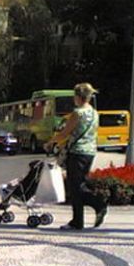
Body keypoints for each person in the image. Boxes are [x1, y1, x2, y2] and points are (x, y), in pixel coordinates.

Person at [44, 82, 107, 230]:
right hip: (90, 152)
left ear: (78, 97)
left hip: (77, 152)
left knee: (76, 187)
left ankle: (98, 204)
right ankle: (77, 221)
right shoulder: (94, 113)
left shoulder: (77, 113)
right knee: (78, 185)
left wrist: (50, 142)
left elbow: (65, 133)